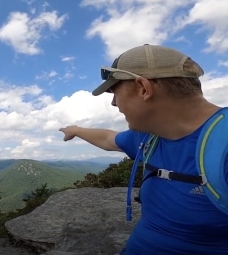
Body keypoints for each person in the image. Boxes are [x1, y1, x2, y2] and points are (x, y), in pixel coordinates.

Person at [59, 44, 228, 255]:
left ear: (143, 88)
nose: (113, 103)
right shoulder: (150, 136)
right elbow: (109, 139)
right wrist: (76, 130)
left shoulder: (223, 146)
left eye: (114, 91)